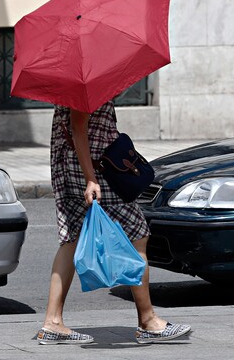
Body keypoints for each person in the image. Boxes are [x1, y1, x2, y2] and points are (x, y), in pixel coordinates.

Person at [36, 101, 191, 345]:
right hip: (95, 173)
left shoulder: (75, 82)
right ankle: (148, 321)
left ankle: (52, 322)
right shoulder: (85, 84)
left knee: (72, 239)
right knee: (137, 233)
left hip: (73, 170)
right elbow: (78, 127)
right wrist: (90, 179)